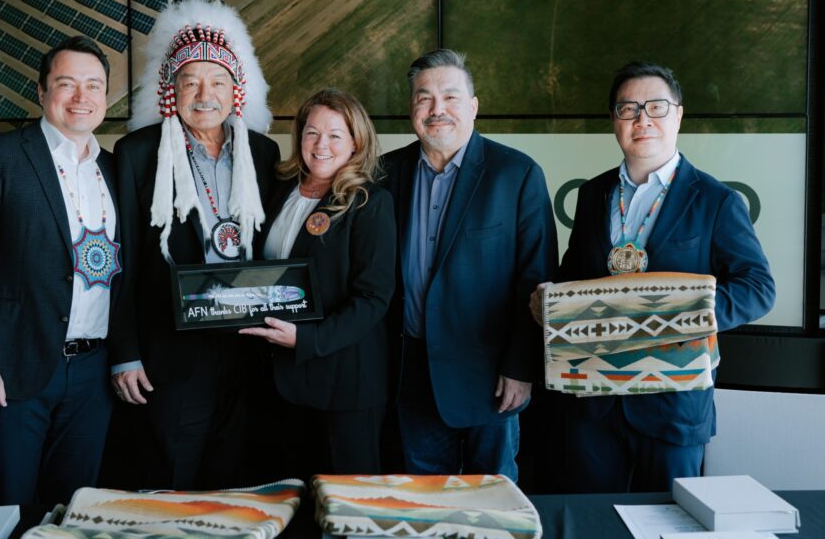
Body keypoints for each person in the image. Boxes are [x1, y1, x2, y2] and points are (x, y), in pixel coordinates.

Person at [535, 61, 775, 492]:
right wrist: (551, 303)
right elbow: (575, 276)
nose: (642, 119)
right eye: (628, 109)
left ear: (679, 115)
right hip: (592, 401)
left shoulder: (716, 200)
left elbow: (758, 288)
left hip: (673, 406)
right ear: (614, 121)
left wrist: (673, 313)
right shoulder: (592, 194)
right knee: (594, 525)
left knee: (670, 524)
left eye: (656, 107)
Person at [108, 0, 280, 490]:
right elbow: (121, 261)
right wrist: (125, 351)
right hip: (169, 352)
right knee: (169, 479)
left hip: (248, 348)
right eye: (190, 82)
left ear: (235, 90)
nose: (204, 95)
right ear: (170, 88)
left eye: (217, 81)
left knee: (237, 478)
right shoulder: (137, 155)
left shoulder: (264, 154)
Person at [0, 35, 119, 505]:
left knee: (73, 511)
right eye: (66, 84)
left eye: (94, 86)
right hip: (13, 372)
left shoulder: (115, 171)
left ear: (106, 96)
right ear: (42, 92)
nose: (82, 97)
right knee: (5, 507)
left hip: (92, 376)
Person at [381, 49, 558, 478]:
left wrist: (520, 368)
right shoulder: (386, 173)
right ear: (411, 109)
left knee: (493, 504)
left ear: (474, 107)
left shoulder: (516, 174)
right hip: (410, 376)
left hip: (491, 379)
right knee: (424, 504)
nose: (437, 109)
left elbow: (537, 281)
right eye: (424, 98)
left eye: (451, 97)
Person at [240, 88, 395, 479]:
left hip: (343, 383)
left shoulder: (369, 203)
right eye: (311, 133)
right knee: (288, 500)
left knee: (346, 507)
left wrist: (308, 340)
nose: (321, 144)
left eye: (334, 135)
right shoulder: (279, 190)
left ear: (356, 142)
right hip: (279, 380)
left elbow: (373, 299)